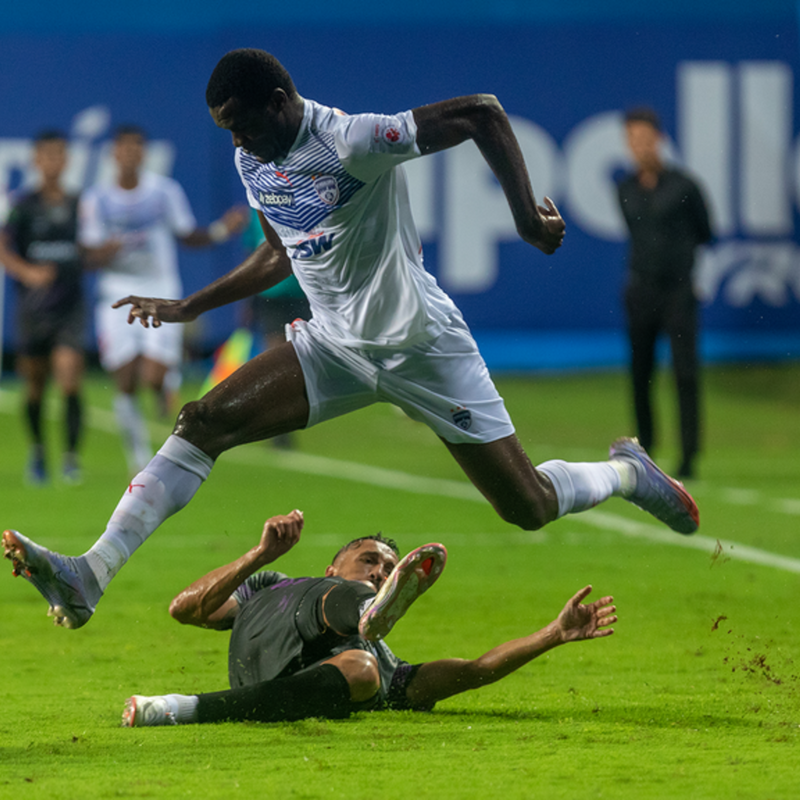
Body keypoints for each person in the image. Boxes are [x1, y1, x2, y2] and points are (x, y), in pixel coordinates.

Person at [2, 49, 699, 632]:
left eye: (243, 126)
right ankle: (90, 574)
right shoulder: (253, 158)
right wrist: (192, 305)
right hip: (332, 348)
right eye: (226, 131)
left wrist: (525, 217)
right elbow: (280, 251)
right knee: (201, 421)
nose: (237, 143)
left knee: (528, 507)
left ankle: (626, 473)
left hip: (421, 347)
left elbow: (482, 113)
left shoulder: (354, 140)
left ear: (281, 103)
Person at [119, 510, 617, 726]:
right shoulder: (270, 584)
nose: (379, 570)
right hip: (275, 629)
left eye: (387, 568)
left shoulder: (385, 666)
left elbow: (472, 671)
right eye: (369, 560)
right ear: (332, 567)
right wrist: (259, 555)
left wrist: (553, 634)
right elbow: (186, 609)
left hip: (281, 687)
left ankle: (181, 708)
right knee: (362, 653)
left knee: (364, 670)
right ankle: (364, 612)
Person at [78, 124, 249, 474]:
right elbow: (87, 254)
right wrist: (104, 252)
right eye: (124, 148)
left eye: (137, 147)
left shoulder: (163, 192)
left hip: (159, 290)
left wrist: (221, 230)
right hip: (116, 294)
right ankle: (139, 456)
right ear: (114, 153)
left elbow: (186, 235)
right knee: (125, 379)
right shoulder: (97, 198)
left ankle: (162, 387)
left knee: (153, 376)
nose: (131, 154)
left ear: (144, 153)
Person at [616, 107, 713, 480]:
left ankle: (689, 455)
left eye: (645, 138)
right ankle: (646, 450)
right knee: (641, 374)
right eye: (632, 140)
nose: (639, 147)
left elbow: (706, 232)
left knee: (685, 373)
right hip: (641, 290)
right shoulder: (625, 189)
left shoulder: (685, 186)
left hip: (678, 292)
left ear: (659, 140)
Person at [0, 130, 86, 485]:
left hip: (70, 306)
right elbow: (4, 247)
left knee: (69, 377)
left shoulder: (80, 203)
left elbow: (90, 246)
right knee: (35, 385)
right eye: (47, 155)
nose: (53, 162)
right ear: (36, 160)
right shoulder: (23, 204)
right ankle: (37, 450)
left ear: (67, 160)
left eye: (59, 155)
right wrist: (28, 272)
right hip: (33, 309)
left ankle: (70, 458)